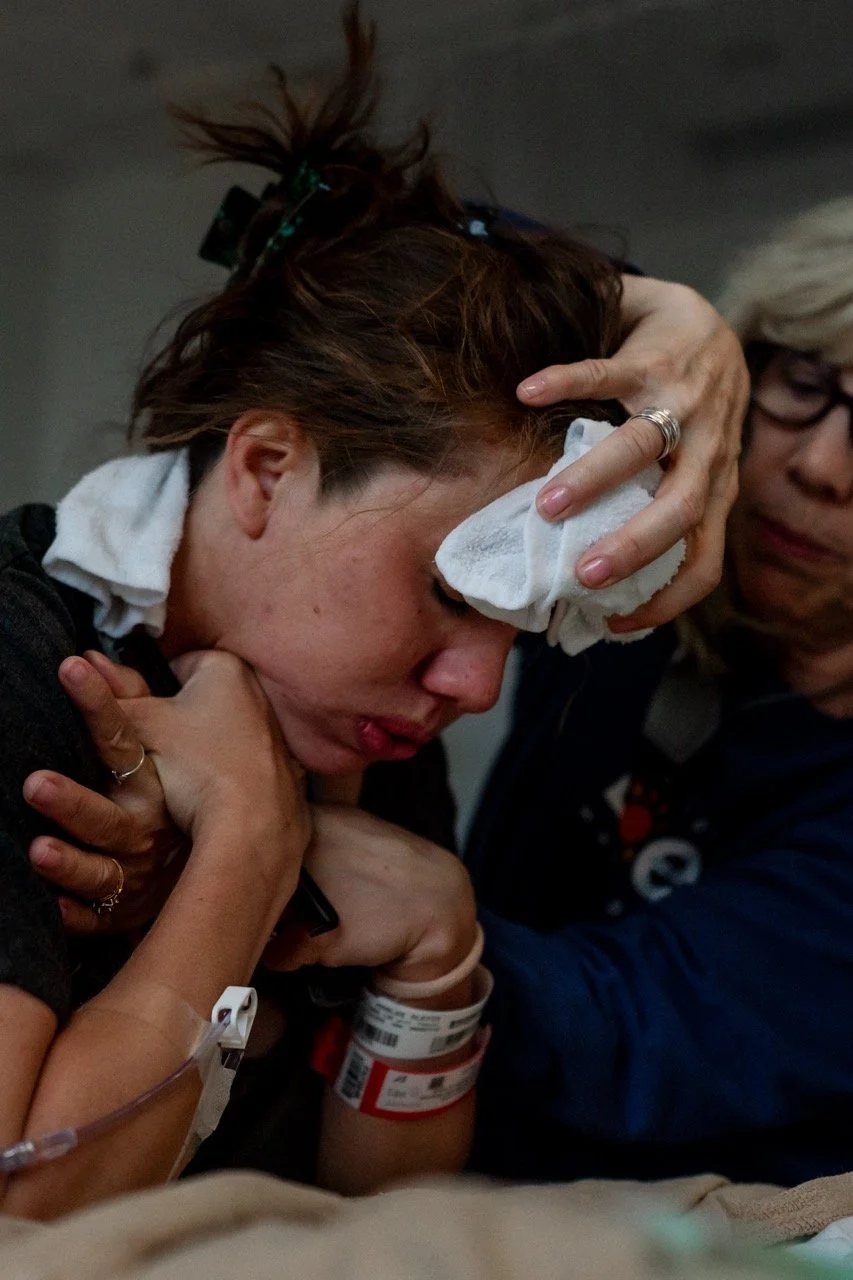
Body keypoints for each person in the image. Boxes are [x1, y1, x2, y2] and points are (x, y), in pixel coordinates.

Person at [11, 9, 748, 1213]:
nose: (476, 687)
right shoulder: (20, 658)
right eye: (450, 591)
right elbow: (17, 1203)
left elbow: (377, 1216)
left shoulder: (359, 720)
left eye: (516, 629)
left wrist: (439, 957)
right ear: (263, 469)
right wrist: (251, 850)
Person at [455, 195, 853, 1186]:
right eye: (805, 383)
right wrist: (645, 309)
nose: (818, 466)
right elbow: (355, 226)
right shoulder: (631, 565)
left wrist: (372, 908)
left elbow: (644, 1025)